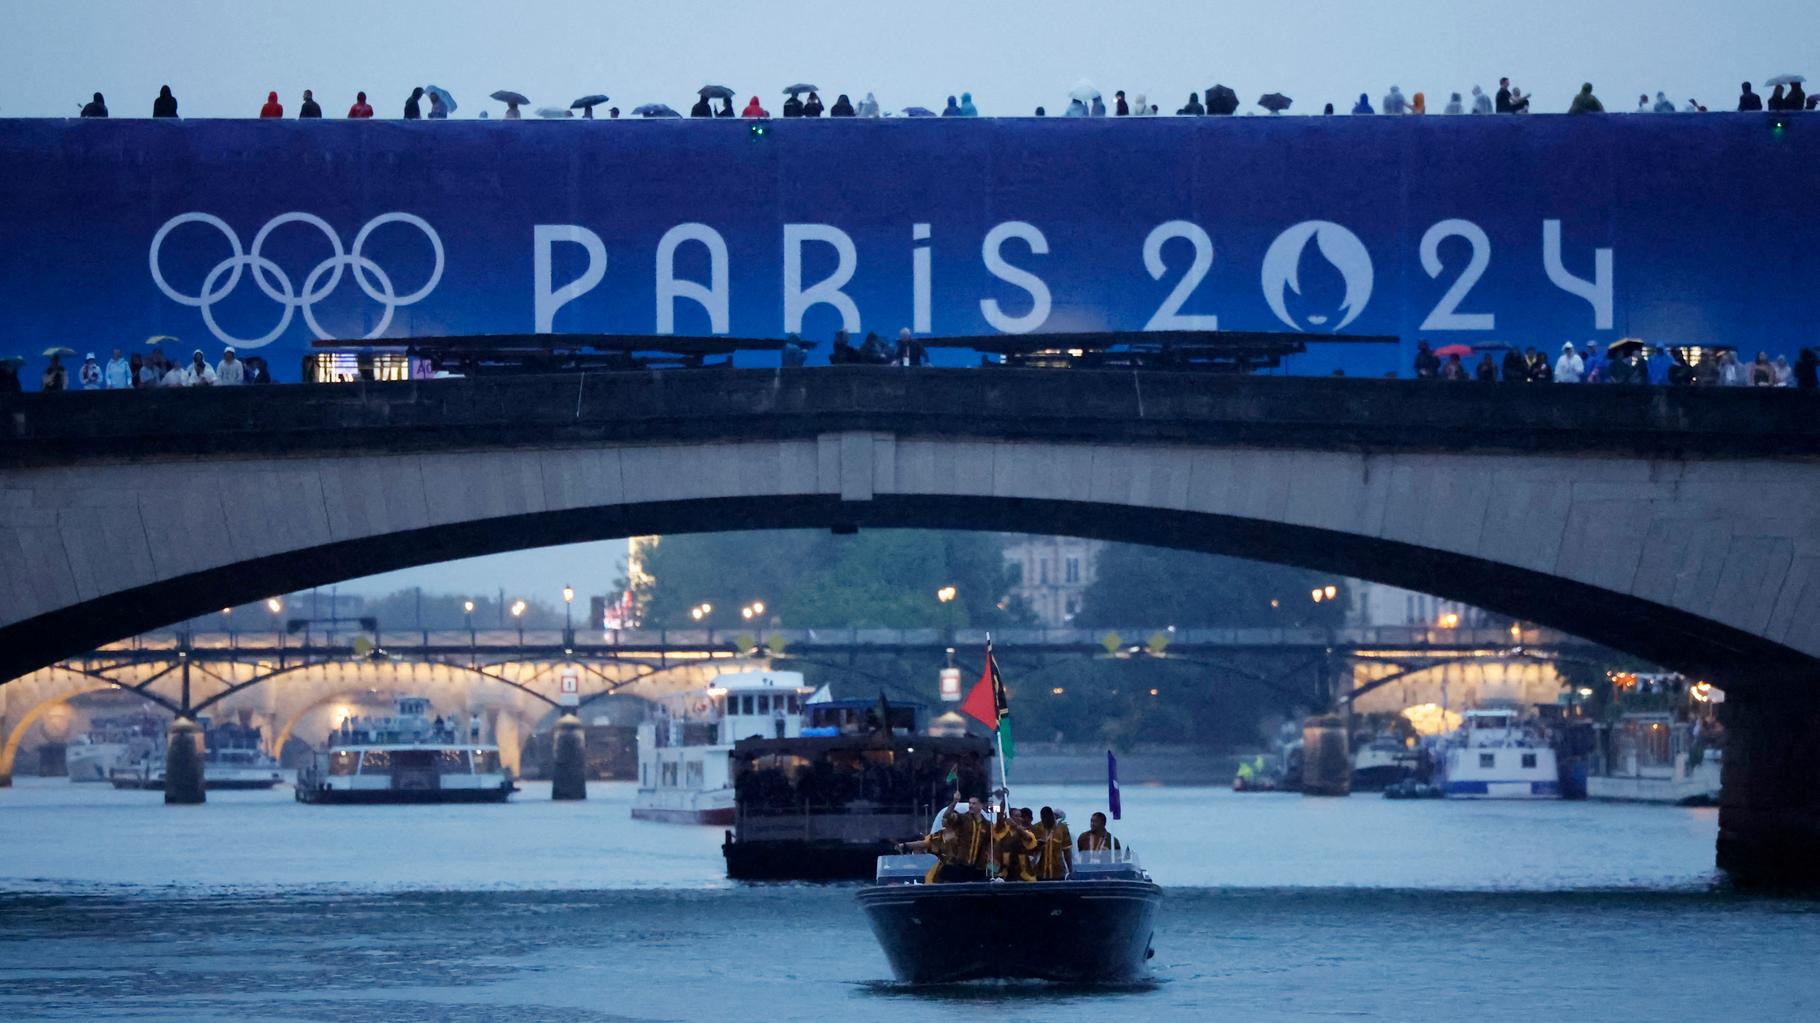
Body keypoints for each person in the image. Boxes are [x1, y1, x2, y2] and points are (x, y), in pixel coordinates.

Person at [993, 808, 1038, 881]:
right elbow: (999, 821)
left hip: (1022, 873)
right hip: (1004, 871)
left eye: (1020, 816)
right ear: (1009, 817)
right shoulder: (1002, 832)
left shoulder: (1026, 831)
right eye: (1016, 816)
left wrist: (1016, 826)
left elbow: (1028, 838)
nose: (1020, 819)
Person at [1032, 806, 1073, 880]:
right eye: (1044, 820)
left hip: (1058, 873)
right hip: (1039, 873)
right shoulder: (1036, 828)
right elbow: (1030, 850)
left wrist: (1070, 871)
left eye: (1049, 820)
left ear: (1052, 816)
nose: (1046, 823)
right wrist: (1038, 846)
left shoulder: (1062, 828)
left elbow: (1067, 851)